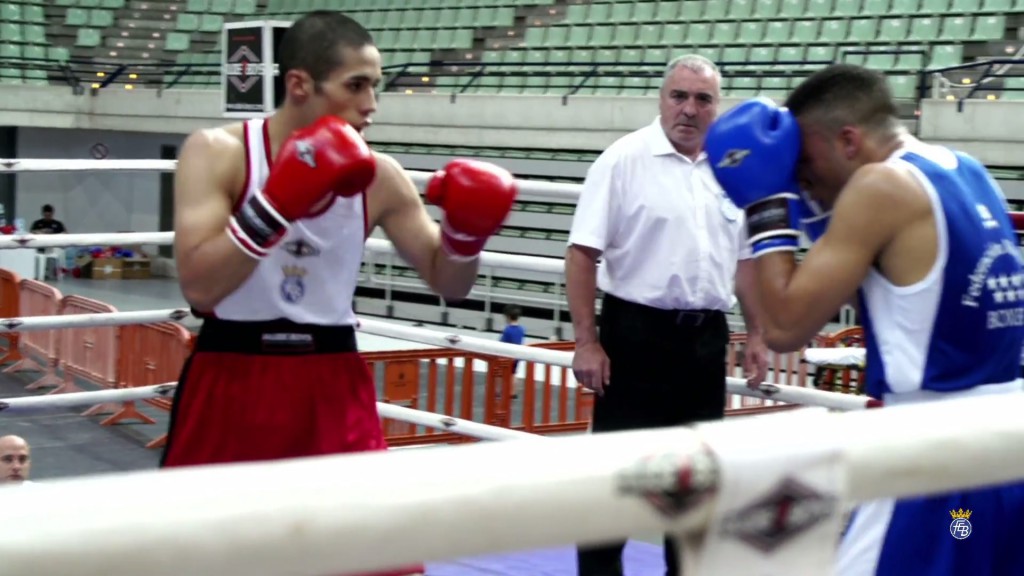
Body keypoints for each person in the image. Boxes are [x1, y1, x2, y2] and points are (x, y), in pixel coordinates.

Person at [164, 11, 517, 576]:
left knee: (374, 559)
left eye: (375, 86)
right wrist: (278, 201)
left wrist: (465, 235)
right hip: (233, 373)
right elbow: (199, 284)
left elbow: (449, 283)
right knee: (212, 557)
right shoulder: (220, 152)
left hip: (331, 379)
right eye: (356, 85)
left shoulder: (380, 176)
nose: (371, 104)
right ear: (301, 84)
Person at [705, 63, 1024, 576]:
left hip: (935, 462)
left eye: (806, 165)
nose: (804, 180)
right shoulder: (966, 171)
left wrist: (765, 201)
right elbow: (858, 292)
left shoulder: (879, 187)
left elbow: (786, 326)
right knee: (966, 550)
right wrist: (812, 206)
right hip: (1000, 468)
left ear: (848, 140)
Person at [565, 54, 769, 576]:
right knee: (614, 482)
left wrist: (759, 333)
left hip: (704, 341)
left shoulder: (733, 169)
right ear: (662, 99)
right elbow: (582, 252)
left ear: (716, 108)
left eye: (702, 99)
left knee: (698, 486)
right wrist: (586, 340)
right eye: (679, 96)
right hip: (633, 336)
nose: (689, 109)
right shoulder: (623, 159)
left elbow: (745, 261)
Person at [499, 304, 525, 398]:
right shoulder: (522, 329)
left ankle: (502, 390)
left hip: (507, 354)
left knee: (502, 373)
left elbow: (502, 341)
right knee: (513, 373)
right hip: (517, 354)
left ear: (508, 317)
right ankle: (513, 392)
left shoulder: (507, 330)